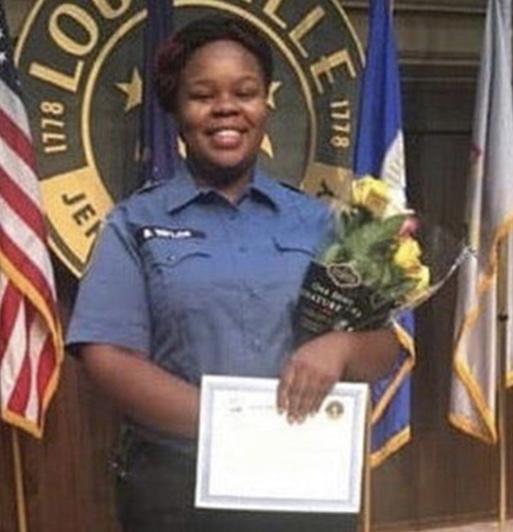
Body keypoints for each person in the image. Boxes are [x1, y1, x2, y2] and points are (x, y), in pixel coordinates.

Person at [66, 14, 401, 532]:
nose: (226, 107)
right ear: (176, 110)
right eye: (203, 95)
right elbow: (108, 357)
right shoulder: (133, 223)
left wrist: (340, 348)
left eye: (245, 92)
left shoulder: (321, 222)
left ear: (266, 104)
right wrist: (231, 426)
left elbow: (384, 347)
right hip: (178, 488)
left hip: (304, 476)